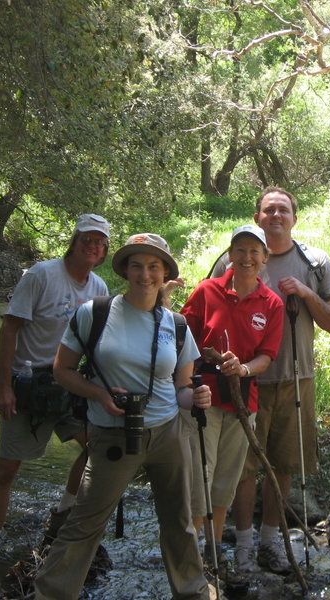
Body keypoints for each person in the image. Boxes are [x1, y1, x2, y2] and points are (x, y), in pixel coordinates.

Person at [33, 233, 211, 600]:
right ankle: (50, 594)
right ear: (125, 271)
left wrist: (198, 396)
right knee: (85, 524)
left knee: (179, 524)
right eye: (136, 266)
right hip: (112, 434)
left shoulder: (176, 325)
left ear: (165, 275)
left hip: (168, 434)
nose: (144, 275)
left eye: (153, 267)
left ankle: (192, 592)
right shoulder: (95, 313)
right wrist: (98, 393)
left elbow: (181, 390)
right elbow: (62, 370)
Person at [0, 214, 110, 598]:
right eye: (87, 239)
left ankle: (62, 517)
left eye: (100, 242)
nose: (93, 246)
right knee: (6, 470)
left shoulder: (98, 287)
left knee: (96, 447)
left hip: (69, 385)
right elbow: (10, 329)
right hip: (28, 384)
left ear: (104, 251)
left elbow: (96, 345)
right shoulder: (41, 275)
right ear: (75, 240)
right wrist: (4, 386)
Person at [213, 187, 330, 573]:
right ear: (256, 218)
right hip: (241, 383)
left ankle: (271, 538)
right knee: (243, 467)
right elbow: (208, 308)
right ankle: (243, 545)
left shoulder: (315, 262)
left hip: (294, 379)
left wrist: (305, 293)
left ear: (294, 218)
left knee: (283, 465)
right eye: (268, 210)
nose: (275, 216)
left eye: (282, 210)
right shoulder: (231, 259)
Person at [180, 224, 284, 567]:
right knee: (200, 475)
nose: (247, 258)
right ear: (229, 254)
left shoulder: (271, 304)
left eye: (255, 251)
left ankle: (212, 555)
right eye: (240, 250)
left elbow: (266, 356)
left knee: (225, 480)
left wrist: (242, 369)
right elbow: (182, 339)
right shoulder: (207, 291)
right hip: (204, 398)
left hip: (244, 402)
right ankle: (191, 558)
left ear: (265, 258)